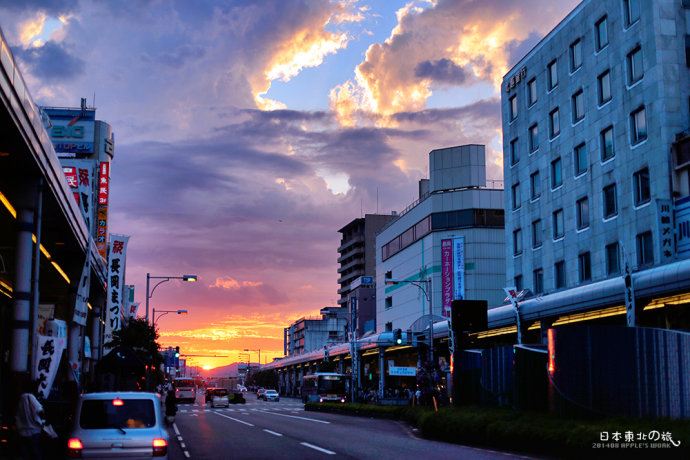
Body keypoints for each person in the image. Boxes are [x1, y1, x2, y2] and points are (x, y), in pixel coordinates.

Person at [15, 380, 45, 460]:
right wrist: (43, 420)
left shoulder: (21, 398)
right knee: (36, 453)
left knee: (25, 454)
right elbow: (39, 410)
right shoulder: (30, 397)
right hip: (33, 431)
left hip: (23, 432)